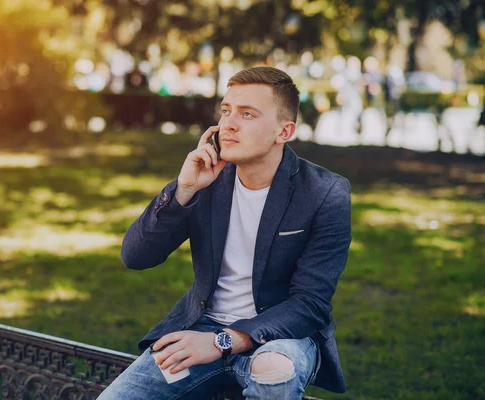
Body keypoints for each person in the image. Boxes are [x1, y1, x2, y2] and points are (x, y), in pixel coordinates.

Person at [98, 67, 352, 400]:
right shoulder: (206, 178)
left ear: (283, 131)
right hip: (201, 328)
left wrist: (223, 342)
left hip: (280, 336)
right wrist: (183, 191)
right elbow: (136, 257)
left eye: (247, 114)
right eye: (226, 110)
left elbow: (309, 304)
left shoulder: (324, 192)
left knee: (273, 369)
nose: (229, 124)